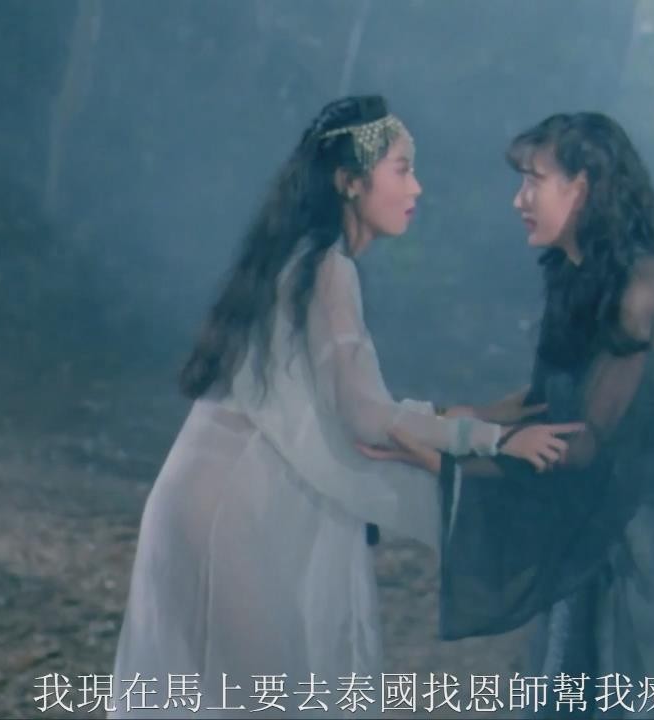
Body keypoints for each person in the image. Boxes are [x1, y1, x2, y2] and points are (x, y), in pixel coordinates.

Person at [108, 95, 580, 719]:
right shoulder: (325, 269)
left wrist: (480, 419)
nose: (416, 187)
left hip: (216, 494)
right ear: (350, 181)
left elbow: (348, 406)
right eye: (402, 169)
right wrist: (495, 440)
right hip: (228, 507)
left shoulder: (309, 260)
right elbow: (365, 418)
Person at [364, 112, 654, 719]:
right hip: (599, 526)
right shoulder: (581, 274)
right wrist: (442, 424)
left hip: (649, 546)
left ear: (583, 188)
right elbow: (546, 403)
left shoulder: (642, 291)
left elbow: (580, 443)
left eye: (535, 180)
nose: (519, 198)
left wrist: (442, 457)